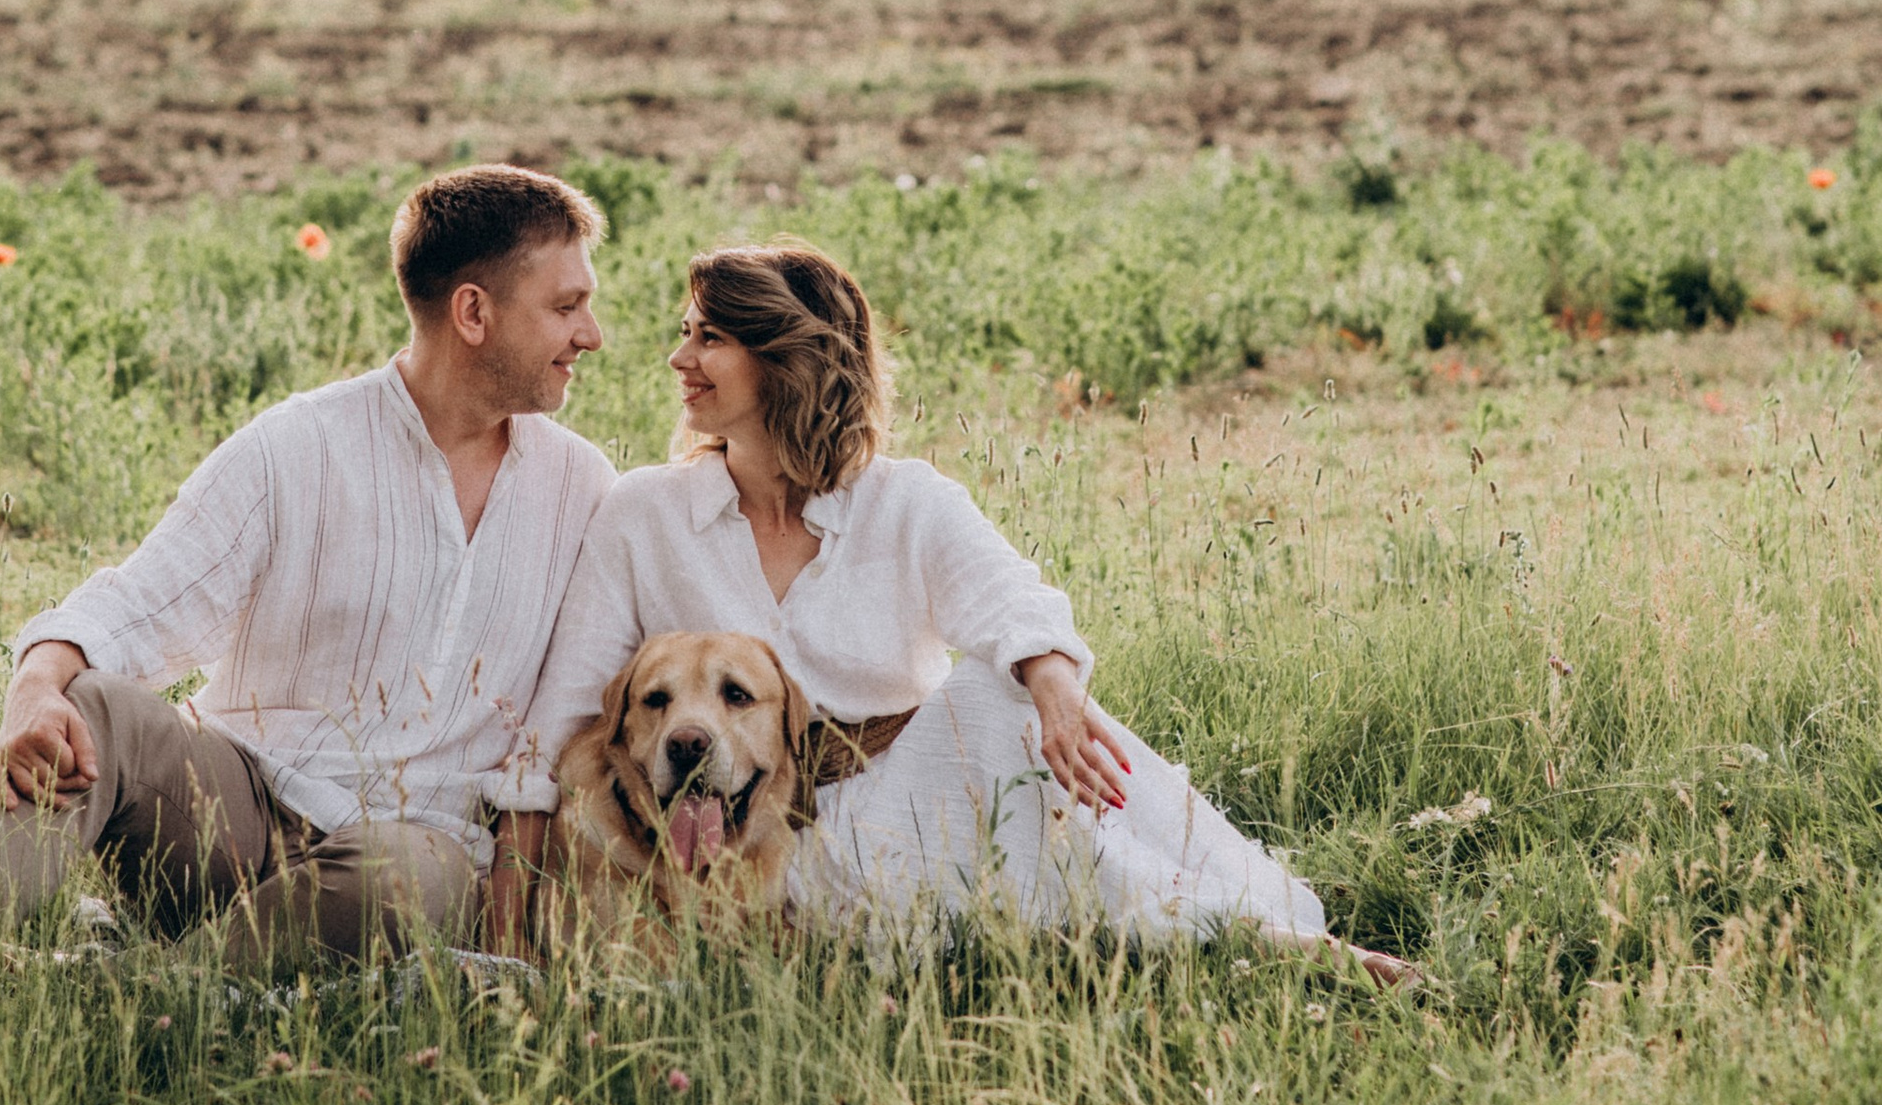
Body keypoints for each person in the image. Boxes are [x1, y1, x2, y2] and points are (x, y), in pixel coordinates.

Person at [492, 240, 1407, 978]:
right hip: (758, 835)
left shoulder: (904, 500)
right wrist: (508, 922)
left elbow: (1011, 600)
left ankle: (1225, 928)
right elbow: (566, 710)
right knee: (1014, 858)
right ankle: (1181, 934)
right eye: (686, 333)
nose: (679, 359)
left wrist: (1055, 691)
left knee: (1002, 699)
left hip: (907, 793)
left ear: (785, 360)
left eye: (709, 338)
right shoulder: (643, 513)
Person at [0, 164, 614, 982]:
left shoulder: (582, 491)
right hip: (232, 816)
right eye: (565, 307)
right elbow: (140, 602)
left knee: (412, 874)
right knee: (92, 703)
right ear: (473, 312)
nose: (591, 334)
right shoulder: (298, 446)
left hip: (403, 865)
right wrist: (36, 687)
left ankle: (124, 990)